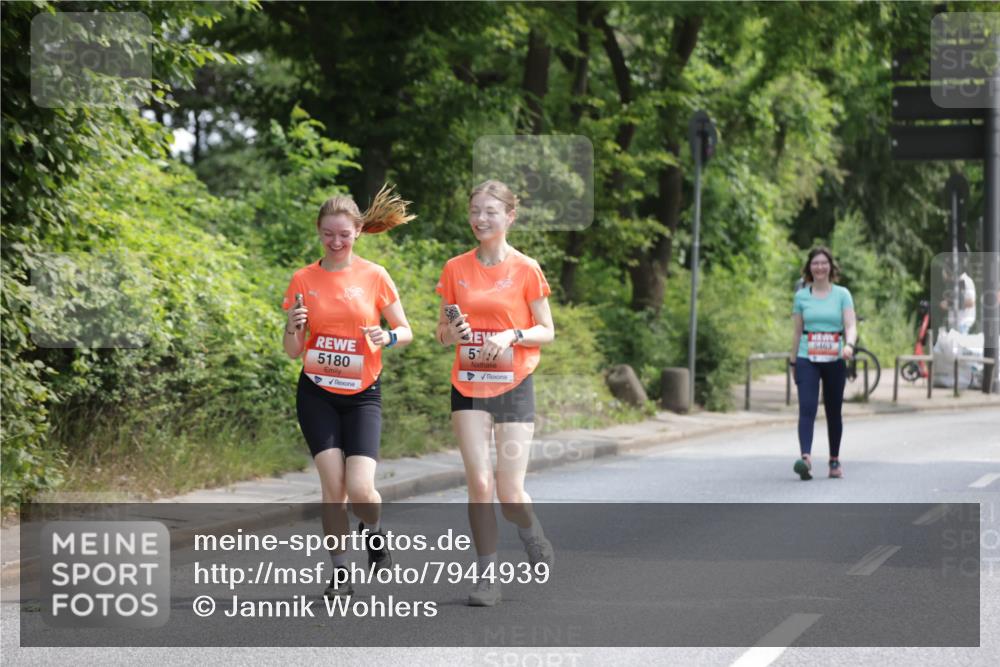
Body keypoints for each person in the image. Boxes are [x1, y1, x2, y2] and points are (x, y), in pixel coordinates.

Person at [283, 184, 415, 598]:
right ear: (319, 233)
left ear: (358, 231)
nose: (336, 242)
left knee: (361, 491)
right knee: (333, 489)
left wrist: (386, 337)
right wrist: (292, 328)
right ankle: (340, 572)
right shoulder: (304, 278)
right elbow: (292, 352)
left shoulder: (375, 276)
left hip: (362, 394)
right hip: (317, 392)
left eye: (344, 234)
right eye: (328, 234)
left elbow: (406, 330)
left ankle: (374, 532)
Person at [435, 179, 556, 607]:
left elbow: (547, 330)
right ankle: (488, 576)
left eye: (490, 211)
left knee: (509, 491)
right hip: (467, 383)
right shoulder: (455, 269)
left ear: (509, 216)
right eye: (475, 211)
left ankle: (531, 532)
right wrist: (455, 331)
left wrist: (512, 334)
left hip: (514, 383)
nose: (480, 219)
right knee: (480, 482)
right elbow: (442, 332)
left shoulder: (526, 268)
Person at [789, 246, 856, 480]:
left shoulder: (842, 294)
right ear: (809, 268)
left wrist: (850, 345)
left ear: (830, 267)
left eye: (823, 263)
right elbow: (797, 332)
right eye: (815, 263)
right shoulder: (801, 297)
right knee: (806, 408)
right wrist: (792, 360)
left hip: (835, 358)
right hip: (808, 357)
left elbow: (850, 325)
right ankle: (805, 458)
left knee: (833, 410)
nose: (819, 267)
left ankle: (834, 460)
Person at [939, 264, 976, 334]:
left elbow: (970, 302)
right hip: (957, 324)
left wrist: (949, 304)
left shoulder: (966, 281)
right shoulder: (957, 283)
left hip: (962, 324)